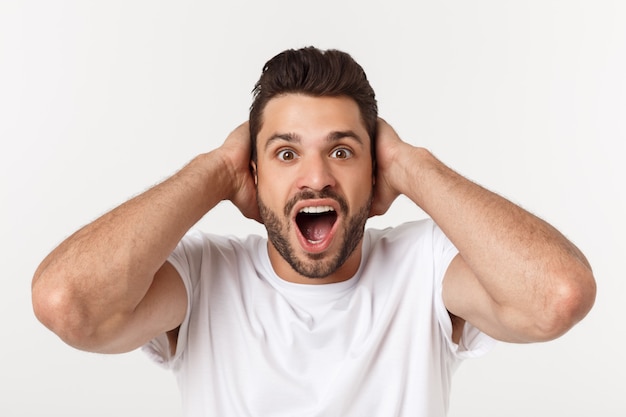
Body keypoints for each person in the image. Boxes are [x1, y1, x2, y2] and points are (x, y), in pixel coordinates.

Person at [32, 46, 596, 416]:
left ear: (372, 170)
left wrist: (408, 165)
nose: (317, 177)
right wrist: (218, 170)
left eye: (343, 151)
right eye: (285, 153)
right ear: (254, 176)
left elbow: (557, 297)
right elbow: (67, 304)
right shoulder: (201, 278)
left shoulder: (423, 268)